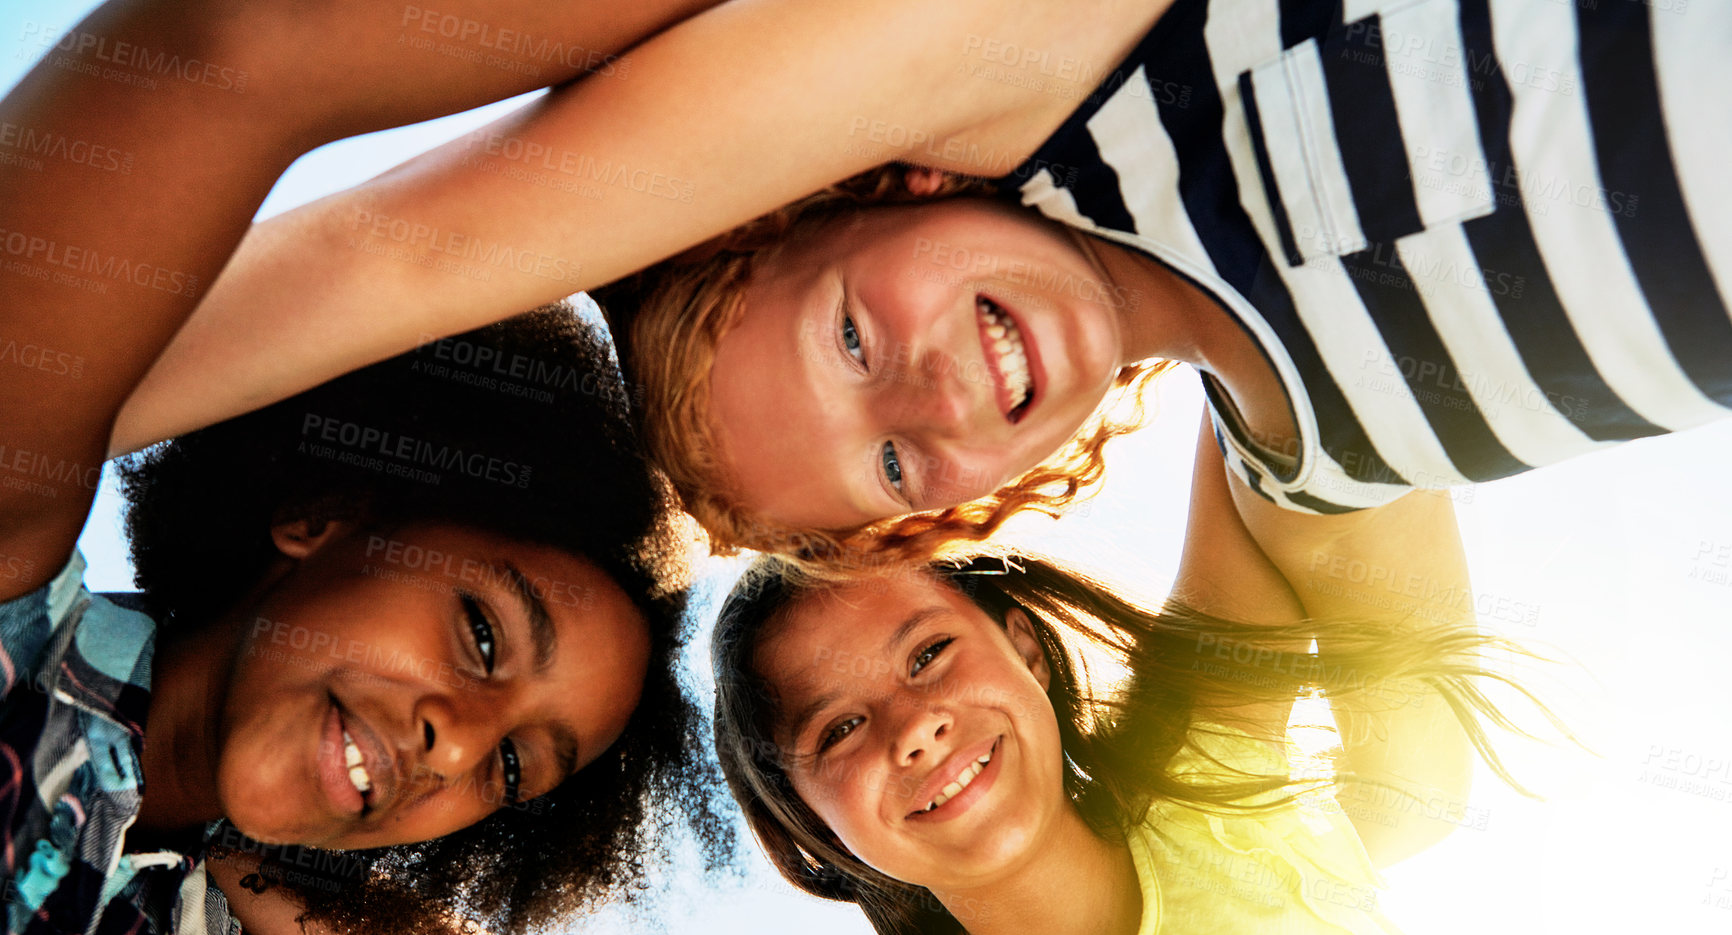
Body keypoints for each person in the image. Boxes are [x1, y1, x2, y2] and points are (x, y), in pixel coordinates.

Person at [218, 436, 1591, 935]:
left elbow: (1276, 435)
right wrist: (227, 838)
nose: (917, 726)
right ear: (818, 838)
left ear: (1031, 657)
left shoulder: (1210, 785)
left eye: (930, 651)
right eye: (841, 729)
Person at [109, 0, 1732, 560]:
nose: (933, 390)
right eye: (891, 461)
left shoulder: (1045, 64)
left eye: (846, 333)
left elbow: (409, 248)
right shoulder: (1326, 461)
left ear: (874, 186)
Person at [0, 2, 732, 935]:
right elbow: (222, 52)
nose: (457, 740)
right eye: (485, 636)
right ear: (321, 515)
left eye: (511, 767)